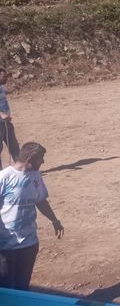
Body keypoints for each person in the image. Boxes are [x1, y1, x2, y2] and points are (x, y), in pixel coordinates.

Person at [0, 142, 64, 290]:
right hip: (5, 245)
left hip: (29, 243)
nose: (43, 162)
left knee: (23, 286)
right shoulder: (4, 178)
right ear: (30, 158)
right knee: (6, 288)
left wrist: (54, 220)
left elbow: (40, 201)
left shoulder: (36, 176)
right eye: (41, 158)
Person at [0, 68, 19, 168]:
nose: (6, 78)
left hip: (6, 122)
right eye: (4, 76)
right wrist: (1, 114)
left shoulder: (1, 87)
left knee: (14, 147)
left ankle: (20, 169)